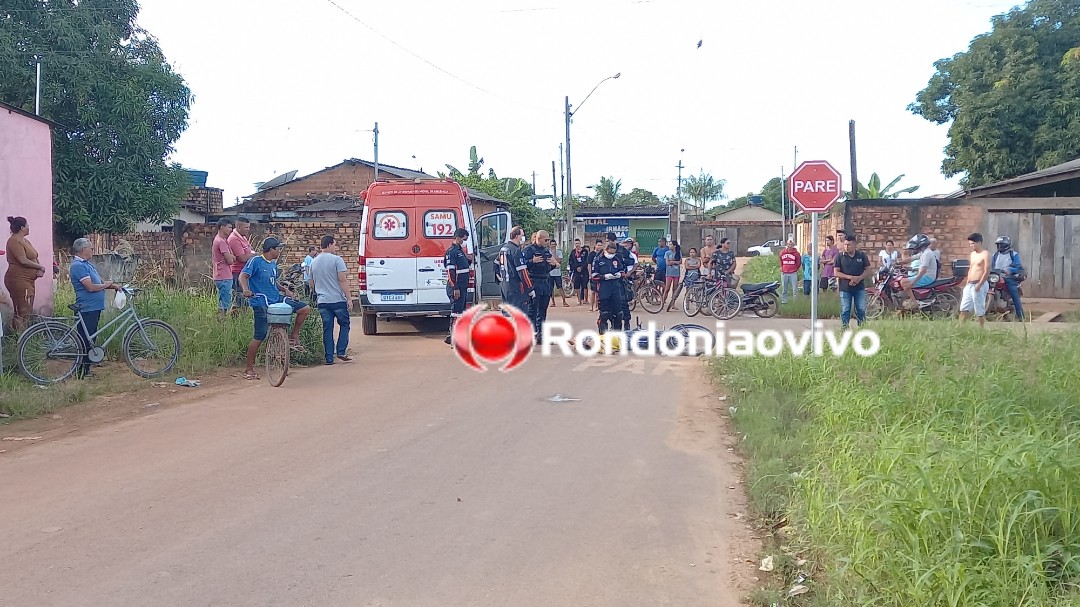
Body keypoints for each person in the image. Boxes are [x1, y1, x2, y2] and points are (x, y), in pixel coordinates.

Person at [238, 237, 311, 381]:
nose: (279, 251)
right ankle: (249, 368)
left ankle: (293, 335)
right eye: (278, 249)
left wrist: (284, 289)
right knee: (260, 335)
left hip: (276, 299)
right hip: (261, 301)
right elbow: (243, 276)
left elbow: (273, 282)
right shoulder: (255, 261)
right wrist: (246, 290)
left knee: (304, 308)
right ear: (271, 249)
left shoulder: (272, 264)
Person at [69, 238, 123, 379]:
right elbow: (91, 287)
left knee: (90, 338)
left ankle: (86, 369)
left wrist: (114, 286)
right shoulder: (78, 266)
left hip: (94, 307)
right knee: (85, 341)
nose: (92, 251)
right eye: (91, 248)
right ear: (83, 250)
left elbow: (99, 282)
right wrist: (108, 284)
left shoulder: (87, 264)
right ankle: (82, 372)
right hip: (87, 307)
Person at [310, 234, 353, 364]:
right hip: (337, 300)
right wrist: (349, 298)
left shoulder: (313, 262)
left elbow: (311, 283)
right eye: (334, 244)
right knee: (344, 324)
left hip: (323, 301)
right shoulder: (337, 260)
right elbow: (342, 280)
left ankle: (329, 357)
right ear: (329, 245)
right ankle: (341, 351)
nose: (335, 247)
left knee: (327, 329)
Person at [4, 216, 47, 331]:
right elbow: (22, 260)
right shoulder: (14, 241)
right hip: (18, 279)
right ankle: (19, 337)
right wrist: (40, 267)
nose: (29, 227)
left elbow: (34, 256)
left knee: (27, 311)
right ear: (22, 227)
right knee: (21, 311)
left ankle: (25, 335)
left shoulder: (25, 241)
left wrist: (40, 269)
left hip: (28, 280)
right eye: (27, 225)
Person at [833, 233, 873, 330]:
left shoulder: (861, 256)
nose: (846, 247)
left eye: (849, 245)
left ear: (855, 245)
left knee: (861, 309)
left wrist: (859, 278)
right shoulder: (839, 257)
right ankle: (844, 328)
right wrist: (850, 277)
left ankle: (862, 328)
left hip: (859, 288)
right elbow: (836, 272)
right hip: (845, 288)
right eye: (845, 244)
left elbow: (868, 270)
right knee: (846, 309)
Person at [522, 230, 556, 343]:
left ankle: (541, 335)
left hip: (545, 282)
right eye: (546, 240)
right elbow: (522, 266)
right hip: (534, 281)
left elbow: (550, 266)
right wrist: (532, 261)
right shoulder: (529, 250)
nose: (547, 242)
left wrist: (553, 264)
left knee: (543, 310)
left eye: (548, 240)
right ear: (539, 238)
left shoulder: (546, 251)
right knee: (532, 310)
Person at [443, 227, 471, 345]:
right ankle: (452, 336)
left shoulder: (460, 251)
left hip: (462, 287)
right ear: (458, 238)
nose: (464, 242)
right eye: (464, 239)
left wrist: (469, 259)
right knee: (456, 312)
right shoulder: (452, 252)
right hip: (456, 288)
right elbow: (451, 272)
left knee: (461, 312)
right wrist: (455, 287)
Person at [591, 241, 626, 335]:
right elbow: (594, 275)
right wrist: (604, 277)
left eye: (613, 253)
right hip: (603, 289)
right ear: (605, 250)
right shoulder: (598, 260)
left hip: (615, 288)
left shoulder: (617, 259)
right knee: (604, 314)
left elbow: (622, 271)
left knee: (618, 314)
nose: (611, 255)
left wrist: (619, 274)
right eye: (610, 252)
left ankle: (617, 335)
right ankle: (603, 335)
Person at [498, 226, 533, 315]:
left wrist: (500, 279)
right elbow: (522, 272)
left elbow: (496, 264)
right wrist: (530, 289)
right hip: (515, 287)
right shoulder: (516, 251)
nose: (523, 238)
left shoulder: (503, 249)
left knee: (507, 313)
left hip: (504, 285)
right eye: (522, 235)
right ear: (517, 236)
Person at [959, 233, 991, 327]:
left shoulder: (986, 254)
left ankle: (981, 328)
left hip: (979, 284)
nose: (971, 246)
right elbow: (971, 268)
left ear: (979, 242)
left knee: (979, 309)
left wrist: (980, 284)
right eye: (970, 244)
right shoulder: (973, 254)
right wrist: (967, 282)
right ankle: (961, 327)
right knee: (964, 308)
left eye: (973, 244)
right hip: (970, 284)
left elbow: (987, 271)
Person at [992, 235, 1025, 321]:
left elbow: (1018, 267)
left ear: (1006, 245)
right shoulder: (995, 255)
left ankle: (1021, 316)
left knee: (1015, 296)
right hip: (996, 277)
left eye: (1001, 245)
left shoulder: (1013, 254)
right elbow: (991, 266)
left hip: (1009, 278)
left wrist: (1009, 269)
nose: (999, 246)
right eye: (998, 245)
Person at [900, 233, 937, 309]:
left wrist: (912, 283)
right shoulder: (923, 252)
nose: (914, 248)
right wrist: (898, 262)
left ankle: (914, 303)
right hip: (926, 276)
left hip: (928, 277)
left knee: (903, 282)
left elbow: (923, 271)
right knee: (904, 279)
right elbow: (911, 259)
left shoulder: (926, 254)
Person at [228, 217, 255, 314]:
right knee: (239, 301)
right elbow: (241, 258)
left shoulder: (242, 237)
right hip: (237, 273)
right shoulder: (234, 239)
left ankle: (242, 317)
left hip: (244, 272)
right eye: (246, 227)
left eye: (248, 227)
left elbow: (248, 252)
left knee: (244, 301)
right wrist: (255, 255)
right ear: (238, 227)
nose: (248, 229)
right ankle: (235, 320)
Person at [211, 218, 236, 320]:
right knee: (225, 303)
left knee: (223, 300)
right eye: (229, 227)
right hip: (224, 275)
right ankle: (222, 322)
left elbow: (231, 257)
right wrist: (231, 257)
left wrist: (231, 257)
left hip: (220, 274)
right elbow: (230, 260)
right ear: (222, 227)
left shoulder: (220, 240)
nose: (231, 230)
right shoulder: (221, 242)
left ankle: (221, 321)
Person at [779, 239, 801, 304]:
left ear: (793, 245)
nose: (790, 246)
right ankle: (784, 301)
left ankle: (795, 302)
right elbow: (780, 260)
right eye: (789, 244)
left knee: (795, 289)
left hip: (793, 273)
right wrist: (781, 267)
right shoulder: (783, 252)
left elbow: (798, 263)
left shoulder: (796, 254)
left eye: (791, 244)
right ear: (787, 244)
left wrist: (795, 269)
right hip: (784, 273)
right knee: (784, 289)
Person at [548, 238, 569, 308]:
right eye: (552, 244)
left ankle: (564, 301)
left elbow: (559, 261)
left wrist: (554, 254)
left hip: (557, 273)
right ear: (550, 245)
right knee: (551, 288)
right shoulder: (547, 252)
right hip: (550, 273)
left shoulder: (559, 252)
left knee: (560, 287)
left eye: (554, 244)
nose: (553, 246)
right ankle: (553, 302)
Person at [568, 239, 589, 305]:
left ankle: (585, 300)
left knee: (584, 285)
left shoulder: (585, 251)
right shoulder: (573, 252)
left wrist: (582, 267)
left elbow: (587, 261)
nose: (577, 245)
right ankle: (579, 300)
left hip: (584, 270)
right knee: (577, 286)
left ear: (580, 243)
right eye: (576, 243)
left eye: (578, 243)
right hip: (576, 271)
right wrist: (575, 268)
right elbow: (571, 261)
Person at [587, 239, 603, 312]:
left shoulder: (603, 254)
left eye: (601, 245)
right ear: (595, 245)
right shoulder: (591, 254)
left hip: (600, 275)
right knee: (592, 291)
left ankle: (597, 306)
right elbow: (589, 265)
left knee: (598, 292)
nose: (599, 247)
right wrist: (590, 274)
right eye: (598, 245)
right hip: (593, 275)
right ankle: (591, 306)